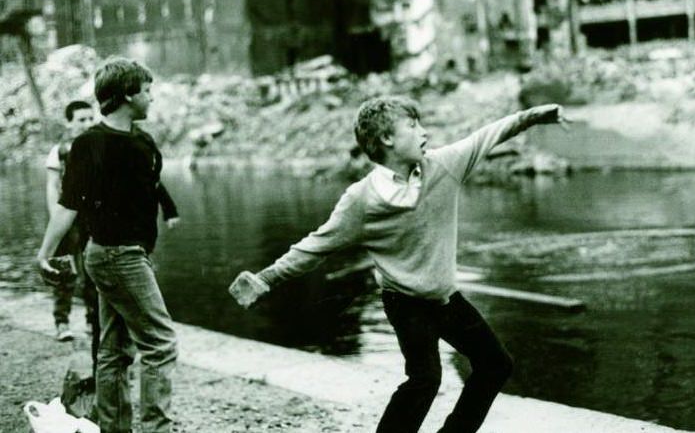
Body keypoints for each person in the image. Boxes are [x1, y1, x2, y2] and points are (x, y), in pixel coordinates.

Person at [230, 96, 568, 433]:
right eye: (413, 125)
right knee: (425, 379)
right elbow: (314, 247)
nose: (425, 131)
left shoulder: (445, 166)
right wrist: (265, 279)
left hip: (447, 299)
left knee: (496, 364)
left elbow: (488, 134)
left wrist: (538, 114)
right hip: (405, 304)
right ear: (387, 140)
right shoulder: (361, 201)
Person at [37, 57, 180, 433]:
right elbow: (68, 206)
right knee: (160, 344)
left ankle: (115, 428)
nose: (151, 97)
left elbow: (150, 193)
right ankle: (156, 429)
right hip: (115, 255)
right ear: (127, 95)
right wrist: (45, 252)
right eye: (146, 91)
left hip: (130, 255)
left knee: (115, 349)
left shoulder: (143, 142)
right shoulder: (88, 144)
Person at [44, 100, 96, 343]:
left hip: (93, 216)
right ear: (70, 123)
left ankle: (92, 319)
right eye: (81, 120)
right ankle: (61, 321)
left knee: (93, 268)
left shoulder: (100, 145)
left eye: (90, 118)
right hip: (67, 215)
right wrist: (56, 216)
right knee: (64, 268)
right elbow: (52, 185)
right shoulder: (61, 150)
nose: (87, 124)